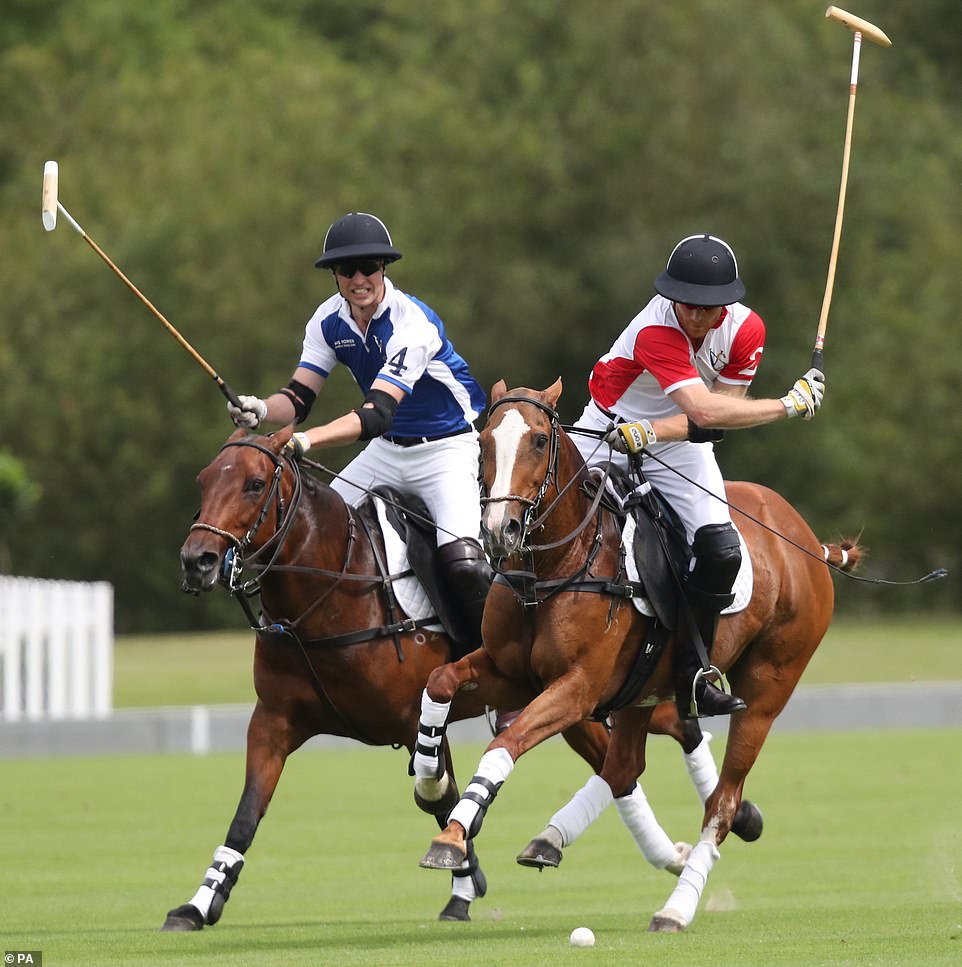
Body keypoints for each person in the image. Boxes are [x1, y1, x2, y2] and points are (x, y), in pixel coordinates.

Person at [572, 233, 825, 718]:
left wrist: (653, 431)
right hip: (604, 431)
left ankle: (693, 673)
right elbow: (704, 410)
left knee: (719, 549)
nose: (695, 314)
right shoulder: (655, 330)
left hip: (674, 443)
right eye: (686, 303)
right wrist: (787, 405)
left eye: (707, 307)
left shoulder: (746, 330)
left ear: (726, 304)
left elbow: (716, 418)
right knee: (539, 520)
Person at [227, 211, 490, 645]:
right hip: (388, 451)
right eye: (347, 269)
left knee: (462, 562)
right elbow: (298, 398)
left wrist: (305, 441)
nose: (359, 278)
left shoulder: (412, 323)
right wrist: (261, 408)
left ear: (383, 267)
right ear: (334, 275)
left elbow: (376, 415)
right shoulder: (327, 321)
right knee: (309, 533)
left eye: (368, 266)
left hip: (446, 451)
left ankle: (497, 664)